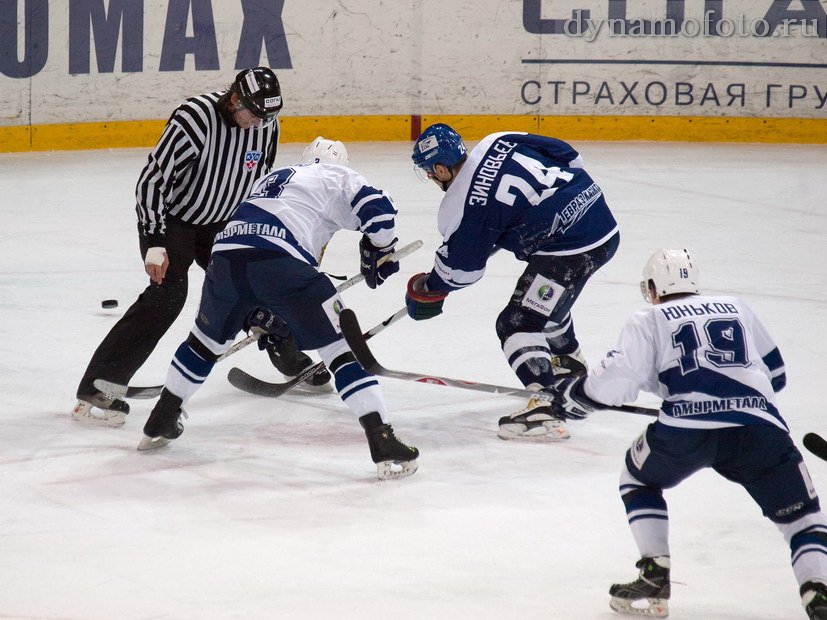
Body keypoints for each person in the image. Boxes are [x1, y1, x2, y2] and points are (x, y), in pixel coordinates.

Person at [547, 248, 827, 619]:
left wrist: (575, 396)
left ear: (651, 287)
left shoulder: (648, 317)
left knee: (637, 479)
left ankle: (654, 575)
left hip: (684, 432)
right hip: (760, 431)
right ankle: (817, 592)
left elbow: (616, 382)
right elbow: (776, 376)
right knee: (802, 518)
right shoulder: (736, 307)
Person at [135, 138, 419, 480]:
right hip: (280, 262)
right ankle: (382, 439)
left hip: (224, 258)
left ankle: (163, 415)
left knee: (203, 343)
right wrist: (380, 249)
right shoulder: (339, 176)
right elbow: (380, 208)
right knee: (341, 348)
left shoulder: (275, 177)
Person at [72, 67, 322, 428]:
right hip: (175, 220)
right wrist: (154, 240)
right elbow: (152, 181)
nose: (258, 124)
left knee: (254, 283)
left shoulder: (266, 124)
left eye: (266, 117)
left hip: (223, 220)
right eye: (253, 114)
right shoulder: (195, 118)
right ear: (235, 98)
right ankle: (99, 386)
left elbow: (258, 179)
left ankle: (289, 356)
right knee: (167, 296)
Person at [407, 123, 620, 441]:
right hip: (599, 215)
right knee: (546, 300)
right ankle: (569, 365)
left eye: (430, 172)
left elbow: (462, 271)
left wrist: (430, 288)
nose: (430, 177)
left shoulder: (459, 207)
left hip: (569, 248)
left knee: (518, 321)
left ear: (440, 167)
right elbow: (567, 154)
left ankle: (545, 407)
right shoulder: (498, 139)